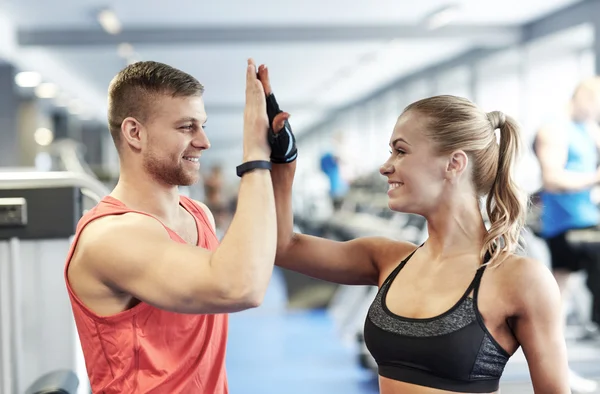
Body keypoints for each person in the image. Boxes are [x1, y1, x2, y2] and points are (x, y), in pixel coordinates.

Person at [262, 65, 570, 393]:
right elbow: (283, 247)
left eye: (401, 150)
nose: (386, 165)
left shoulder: (520, 279)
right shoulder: (386, 258)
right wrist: (283, 163)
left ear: (454, 163)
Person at [63, 59, 280, 393]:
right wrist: (255, 157)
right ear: (135, 132)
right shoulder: (110, 236)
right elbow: (241, 287)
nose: (204, 141)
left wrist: (282, 164)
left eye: (202, 125)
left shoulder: (199, 214)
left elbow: (257, 260)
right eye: (186, 127)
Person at [534, 77, 600, 392]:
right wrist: (594, 178)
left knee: (559, 301)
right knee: (558, 299)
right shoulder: (555, 129)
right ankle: (560, 373)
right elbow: (552, 178)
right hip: (570, 227)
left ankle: (561, 373)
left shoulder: (586, 130)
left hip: (588, 221)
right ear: (584, 97)